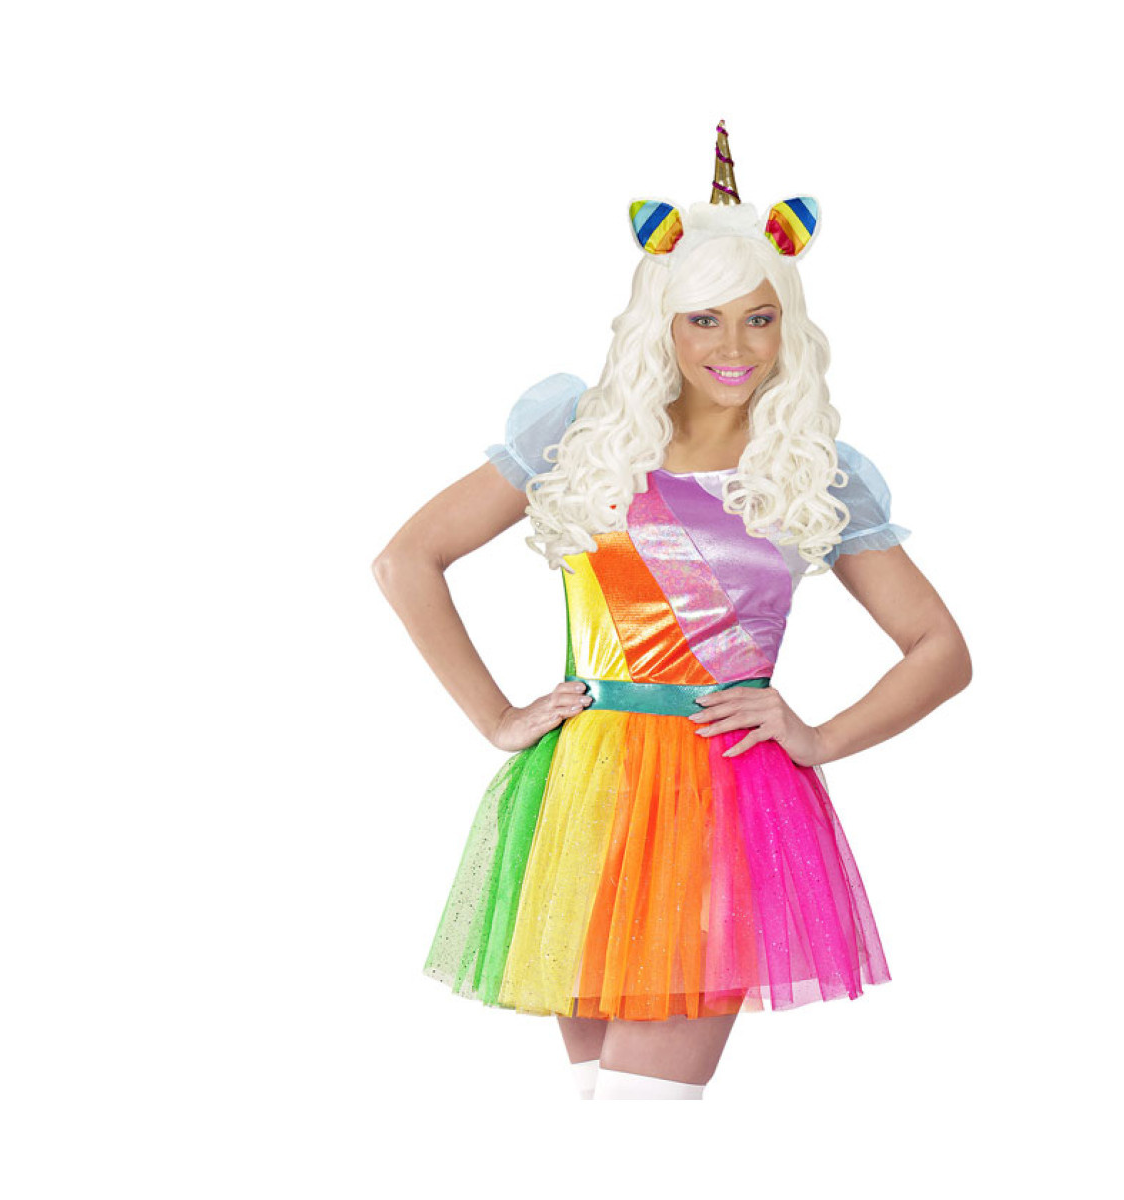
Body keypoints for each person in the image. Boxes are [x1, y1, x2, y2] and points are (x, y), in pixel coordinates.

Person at [373, 123, 971, 1100]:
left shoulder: (810, 469)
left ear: (789, 327)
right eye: (703, 320)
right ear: (662, 322)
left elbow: (939, 648)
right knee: (600, 1105)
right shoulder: (579, 433)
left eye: (758, 319)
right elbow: (407, 561)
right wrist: (496, 718)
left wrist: (819, 737)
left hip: (719, 796)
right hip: (583, 793)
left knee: (643, 1109)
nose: (732, 347)